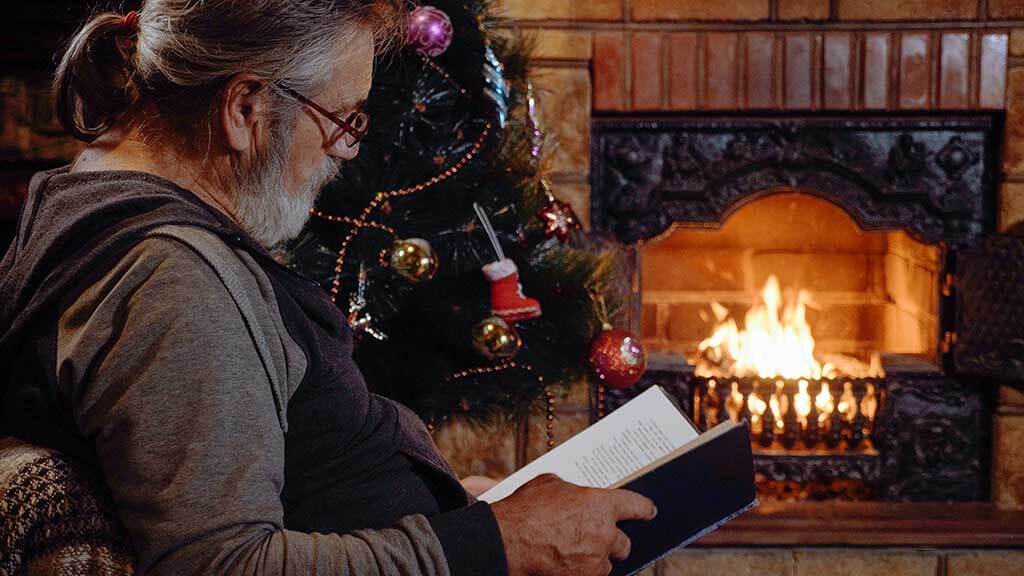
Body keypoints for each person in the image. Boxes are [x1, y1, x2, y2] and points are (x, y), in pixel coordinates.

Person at [0, 2, 656, 575]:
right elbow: (221, 563)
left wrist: (459, 513)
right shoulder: (174, 283)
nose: (343, 155)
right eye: (341, 120)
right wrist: (495, 542)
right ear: (244, 107)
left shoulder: (89, 193)